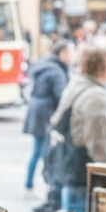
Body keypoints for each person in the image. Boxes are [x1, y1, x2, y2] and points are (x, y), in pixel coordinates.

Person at [49, 45, 106, 212]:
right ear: (104, 67)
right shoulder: (96, 97)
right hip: (86, 178)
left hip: (71, 171)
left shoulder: (76, 86)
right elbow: (101, 142)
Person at [22, 39, 71, 201]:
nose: (72, 56)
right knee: (43, 152)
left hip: (36, 112)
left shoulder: (47, 65)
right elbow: (61, 97)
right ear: (62, 54)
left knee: (38, 150)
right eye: (70, 52)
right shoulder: (57, 71)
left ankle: (30, 184)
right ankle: (47, 186)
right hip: (44, 115)